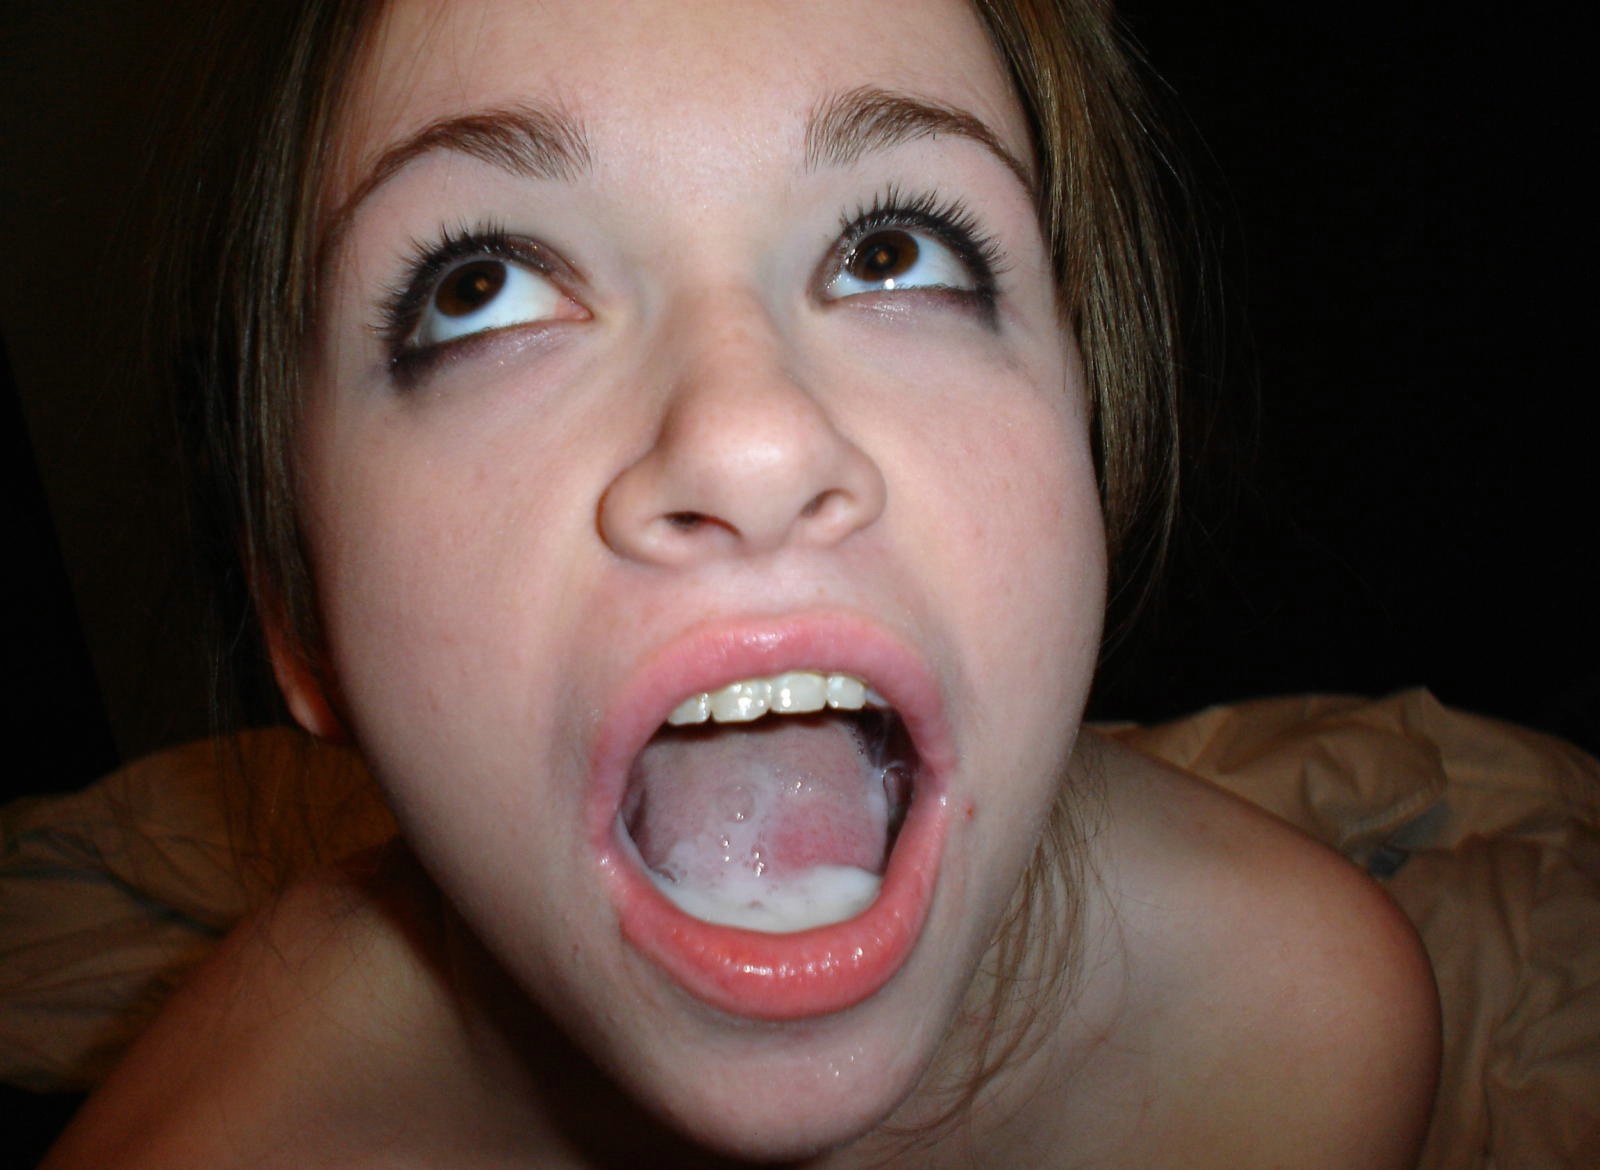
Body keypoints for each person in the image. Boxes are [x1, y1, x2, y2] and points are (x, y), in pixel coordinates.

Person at [42, 0, 1441, 1165]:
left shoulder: (1299, 1045)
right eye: (480, 286)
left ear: (1093, 460)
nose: (748, 437)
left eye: (895, 252)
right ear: (298, 617)